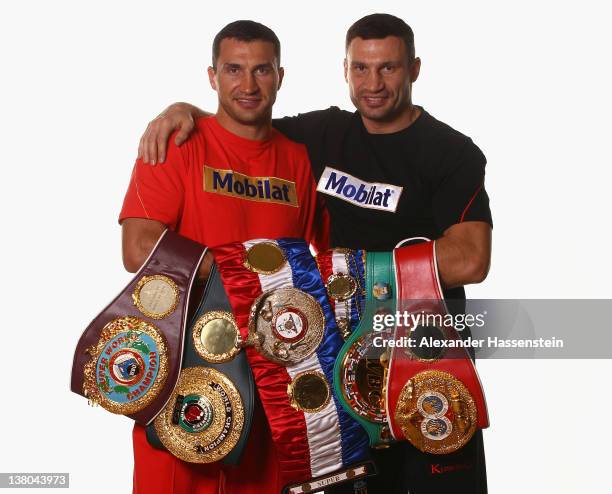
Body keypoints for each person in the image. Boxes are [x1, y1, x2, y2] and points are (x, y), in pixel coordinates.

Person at [137, 13, 493, 494]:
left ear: (414, 69)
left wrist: (356, 274)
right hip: (336, 366)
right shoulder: (322, 137)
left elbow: (471, 259)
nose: (374, 84)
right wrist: (182, 109)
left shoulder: (451, 153)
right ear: (345, 70)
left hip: (423, 353)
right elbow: (244, 118)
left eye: (388, 68)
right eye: (361, 69)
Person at [119, 20, 328, 494]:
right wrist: (245, 274)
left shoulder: (300, 159)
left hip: (278, 384)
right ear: (212, 77)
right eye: (234, 70)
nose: (248, 85)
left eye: (262, 70)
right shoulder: (177, 143)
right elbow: (138, 248)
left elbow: (326, 260)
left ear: (280, 76)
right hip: (187, 370)